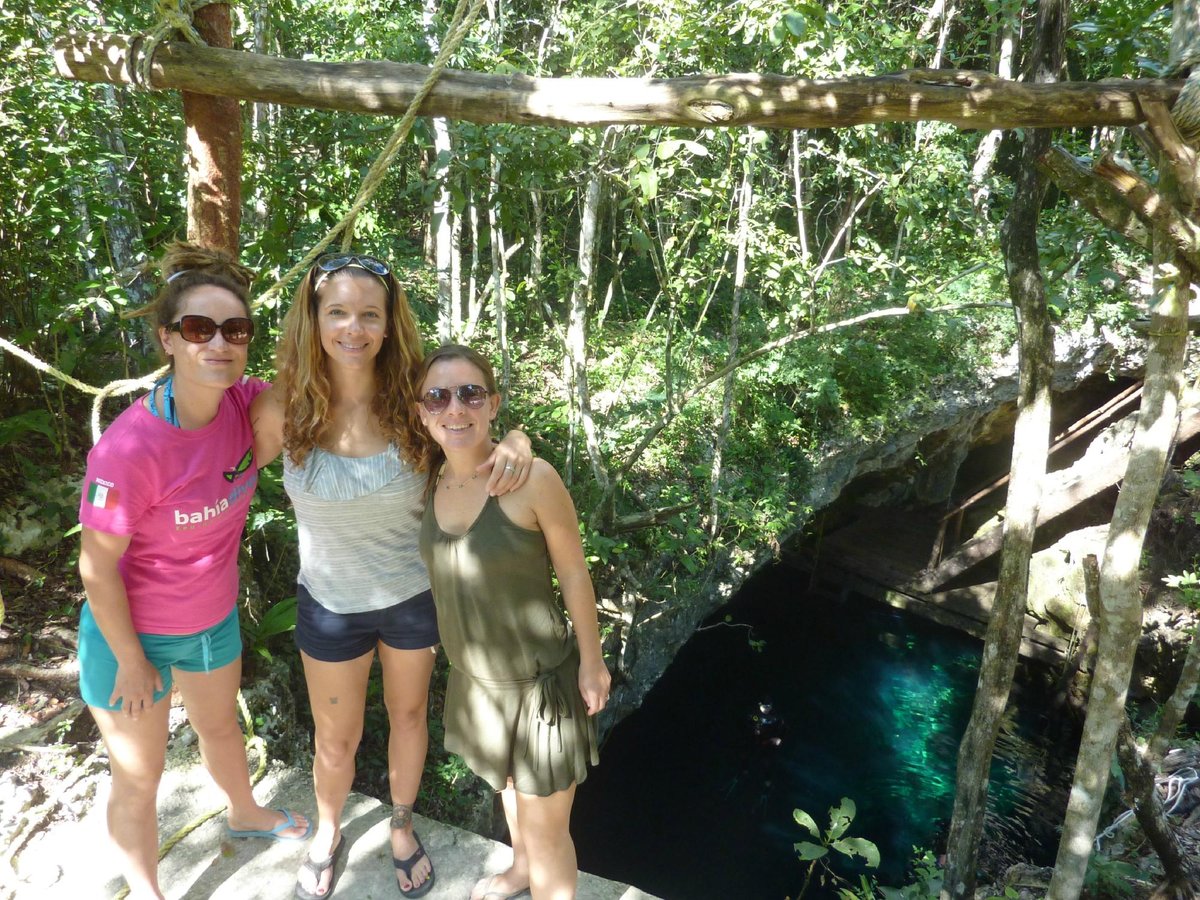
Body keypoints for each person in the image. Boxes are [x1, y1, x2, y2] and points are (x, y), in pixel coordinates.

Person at [250, 255, 532, 900]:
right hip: (328, 604)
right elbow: (208, 462)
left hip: (412, 597)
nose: (354, 328)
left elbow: (475, 429)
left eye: (369, 314)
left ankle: (401, 826)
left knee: (408, 716)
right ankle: (328, 832)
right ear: (314, 318)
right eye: (338, 312)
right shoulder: (282, 409)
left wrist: (519, 438)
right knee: (335, 736)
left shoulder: (414, 401)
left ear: (388, 322)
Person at [77, 242, 311, 900]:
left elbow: (312, 389)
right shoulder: (130, 449)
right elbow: (96, 571)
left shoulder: (247, 406)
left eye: (234, 330)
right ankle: (149, 891)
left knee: (219, 728)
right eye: (198, 328)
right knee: (139, 776)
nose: (218, 343)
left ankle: (245, 810)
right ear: (168, 340)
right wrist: (129, 659)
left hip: (209, 620)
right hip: (130, 635)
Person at [415, 343, 611, 900]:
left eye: (470, 393)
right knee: (505, 788)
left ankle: (542, 876)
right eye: (439, 396)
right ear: (423, 412)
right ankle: (521, 869)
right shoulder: (428, 481)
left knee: (549, 831)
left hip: (540, 687)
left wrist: (593, 662)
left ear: (493, 403)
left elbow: (574, 573)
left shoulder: (532, 479)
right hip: (477, 685)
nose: (456, 407)